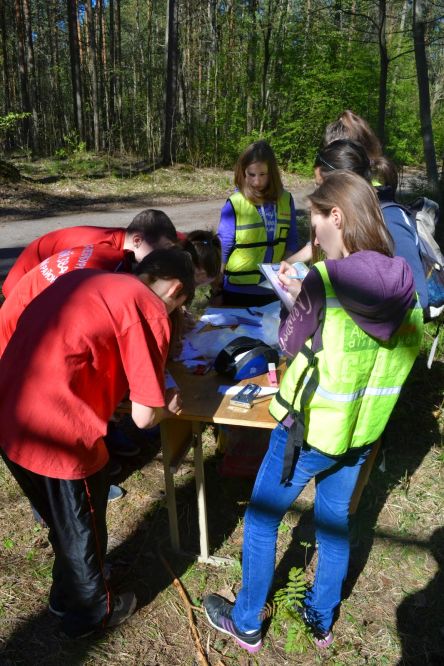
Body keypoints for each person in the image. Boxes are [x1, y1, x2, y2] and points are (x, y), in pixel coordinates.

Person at [203, 171, 423, 653]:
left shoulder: (326, 280)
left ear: (337, 217)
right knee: (334, 522)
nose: (313, 235)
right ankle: (320, 619)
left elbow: (287, 342)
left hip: (308, 429)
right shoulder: (404, 279)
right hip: (362, 429)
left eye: (315, 221)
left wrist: (296, 297)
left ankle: (246, 622)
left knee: (262, 520)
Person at [0, 247, 195, 639]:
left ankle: (65, 595)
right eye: (180, 306)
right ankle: (91, 613)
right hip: (59, 436)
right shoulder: (147, 309)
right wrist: (168, 408)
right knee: (84, 529)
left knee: (62, 522)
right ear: (176, 289)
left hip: (10, 417)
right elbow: (144, 417)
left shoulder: (86, 279)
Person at [286, 139, 429, 310]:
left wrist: (317, 304)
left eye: (320, 185)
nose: (317, 194)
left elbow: (419, 299)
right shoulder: (351, 217)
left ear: (343, 184)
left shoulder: (390, 220)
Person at [2, 208, 178, 298]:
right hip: (22, 286)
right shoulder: (99, 251)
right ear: (138, 240)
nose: (162, 256)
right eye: (162, 248)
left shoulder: (123, 242)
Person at [214, 139, 299, 306]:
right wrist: (217, 283)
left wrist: (284, 272)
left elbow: (292, 241)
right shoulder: (234, 203)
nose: (257, 182)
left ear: (272, 174)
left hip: (275, 289)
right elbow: (224, 245)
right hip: (237, 290)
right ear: (243, 173)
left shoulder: (286, 200)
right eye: (251, 175)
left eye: (262, 175)